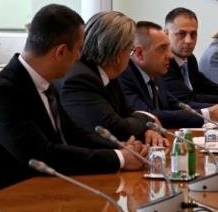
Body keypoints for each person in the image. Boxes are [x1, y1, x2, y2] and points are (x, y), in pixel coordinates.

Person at [0, 4, 144, 199]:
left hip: (35, 195)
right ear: (60, 52)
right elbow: (42, 155)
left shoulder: (43, 83)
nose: (80, 57)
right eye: (78, 49)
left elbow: (73, 134)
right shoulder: (1, 94)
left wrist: (120, 148)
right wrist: (120, 158)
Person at [58, 11, 167, 146]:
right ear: (118, 55)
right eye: (131, 50)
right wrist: (148, 119)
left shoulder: (108, 74)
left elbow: (128, 113)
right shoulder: (80, 79)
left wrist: (148, 130)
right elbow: (117, 129)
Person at [118, 21, 218, 127]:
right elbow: (148, 117)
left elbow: (177, 105)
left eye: (168, 48)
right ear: (139, 53)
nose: (170, 55)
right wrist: (210, 113)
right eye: (162, 49)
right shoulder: (123, 76)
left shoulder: (155, 73)